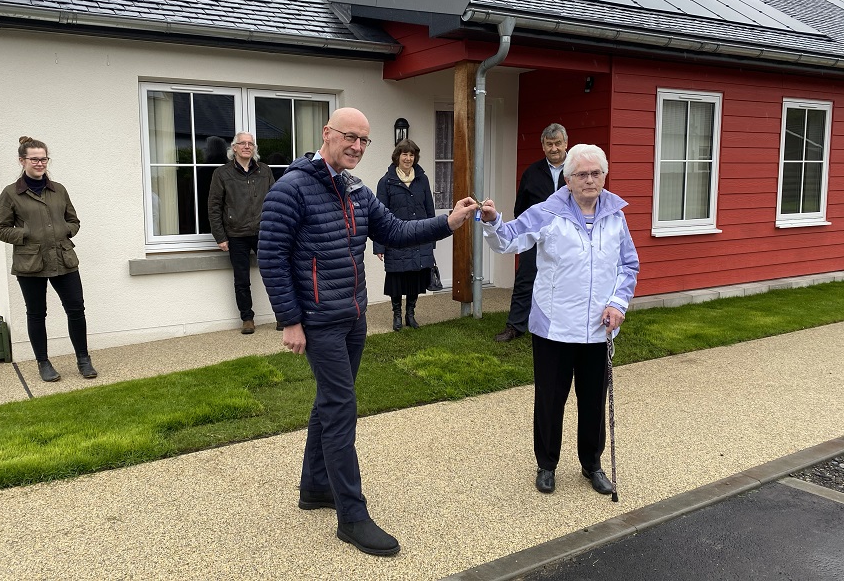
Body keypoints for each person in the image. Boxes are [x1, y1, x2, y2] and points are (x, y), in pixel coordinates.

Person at [258, 107, 480, 557]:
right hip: (318, 320)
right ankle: (352, 517)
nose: (357, 146)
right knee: (341, 409)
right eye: (350, 137)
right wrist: (291, 320)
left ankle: (315, 487)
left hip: (353, 316)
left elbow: (395, 230)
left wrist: (448, 222)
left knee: (330, 402)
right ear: (327, 134)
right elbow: (272, 257)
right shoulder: (291, 189)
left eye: (365, 140)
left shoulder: (356, 189)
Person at [477, 144, 639, 497]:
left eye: (596, 173)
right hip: (554, 327)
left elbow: (628, 265)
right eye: (582, 174)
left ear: (604, 176)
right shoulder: (548, 212)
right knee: (551, 399)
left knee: (594, 399)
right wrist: (492, 221)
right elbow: (509, 240)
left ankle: (592, 464)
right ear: (567, 179)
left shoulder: (616, 215)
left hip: (600, 328)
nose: (590, 180)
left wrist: (617, 304)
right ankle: (547, 465)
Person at [0, 136, 96, 383]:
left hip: (64, 258)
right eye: (35, 159)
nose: (40, 163)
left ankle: (83, 359)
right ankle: (44, 363)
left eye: (44, 159)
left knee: (76, 310)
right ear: (22, 161)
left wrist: (65, 230)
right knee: (37, 314)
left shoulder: (58, 189)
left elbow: (74, 220)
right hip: (31, 263)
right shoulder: (10, 193)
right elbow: (0, 229)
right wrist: (26, 233)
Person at [494, 124, 568, 342]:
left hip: (568, 236)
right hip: (535, 236)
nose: (554, 148)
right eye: (549, 144)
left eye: (558, 143)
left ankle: (561, 325)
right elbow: (520, 208)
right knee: (525, 279)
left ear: (566, 144)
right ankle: (515, 326)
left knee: (566, 280)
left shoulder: (577, 170)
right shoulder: (532, 173)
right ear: (543, 146)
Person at [208, 132, 275, 335]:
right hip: (236, 234)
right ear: (234, 148)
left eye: (250, 144)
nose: (247, 146)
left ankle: (283, 315)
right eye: (242, 143)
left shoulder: (264, 171)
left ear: (254, 148)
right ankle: (247, 318)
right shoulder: (222, 174)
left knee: (274, 275)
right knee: (242, 279)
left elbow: (275, 200)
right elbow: (214, 206)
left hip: (263, 233)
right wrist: (220, 236)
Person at [373, 139, 436, 331]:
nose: (408, 158)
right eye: (404, 154)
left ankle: (411, 314)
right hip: (396, 240)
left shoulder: (422, 179)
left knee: (415, 279)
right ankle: (397, 316)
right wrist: (379, 246)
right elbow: (378, 216)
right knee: (397, 280)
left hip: (419, 237)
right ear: (397, 157)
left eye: (411, 155)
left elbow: (429, 210)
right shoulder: (386, 182)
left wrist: (431, 238)